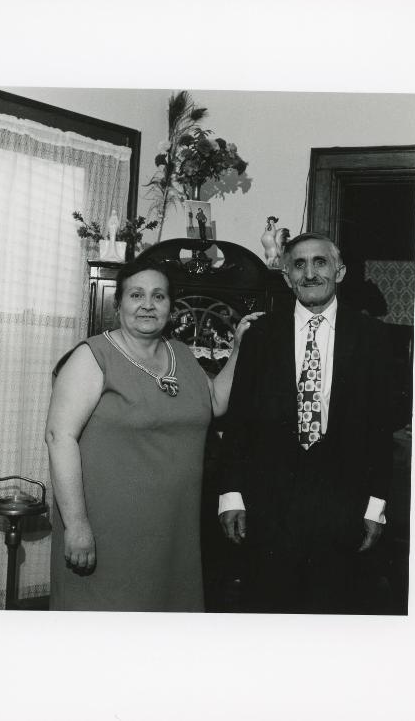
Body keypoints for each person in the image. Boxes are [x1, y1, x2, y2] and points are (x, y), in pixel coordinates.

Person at [46, 260, 262, 611]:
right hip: (107, 531)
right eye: (136, 295)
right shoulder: (92, 356)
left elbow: (216, 402)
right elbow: (59, 437)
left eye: (158, 296)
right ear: (118, 306)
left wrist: (238, 348)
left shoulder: (180, 353)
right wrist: (76, 525)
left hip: (174, 532)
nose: (148, 304)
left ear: (170, 308)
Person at [218, 232, 393, 614]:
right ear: (285, 276)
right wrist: (231, 495)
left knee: (334, 617)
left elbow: (381, 432)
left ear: (340, 271)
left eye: (320, 262)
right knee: (267, 614)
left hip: (342, 507)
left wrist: (375, 506)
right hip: (269, 508)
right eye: (299, 264)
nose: (310, 273)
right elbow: (238, 421)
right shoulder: (260, 336)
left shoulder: (375, 339)